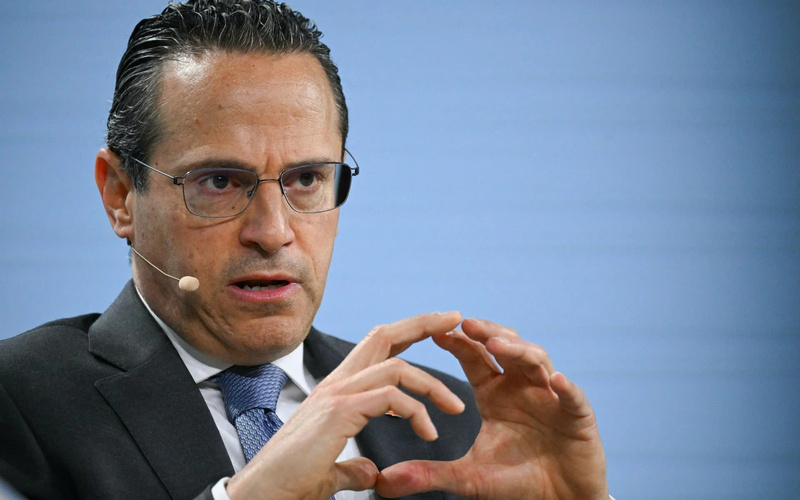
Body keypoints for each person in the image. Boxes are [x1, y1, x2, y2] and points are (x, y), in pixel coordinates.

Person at [0, 1, 610, 499]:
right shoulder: (20, 403)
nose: (272, 231)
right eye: (219, 181)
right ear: (119, 196)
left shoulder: (454, 421)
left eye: (307, 179)